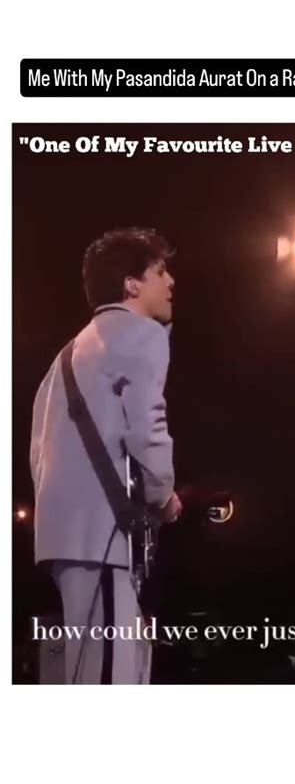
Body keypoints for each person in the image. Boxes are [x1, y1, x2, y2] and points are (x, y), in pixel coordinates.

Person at [30, 227, 182, 684]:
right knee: (111, 680)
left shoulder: (69, 352)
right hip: (104, 536)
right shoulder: (141, 333)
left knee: (88, 673)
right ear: (131, 284)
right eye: (160, 271)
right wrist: (162, 493)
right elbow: (148, 428)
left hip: (67, 537)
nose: (171, 282)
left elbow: (39, 452)